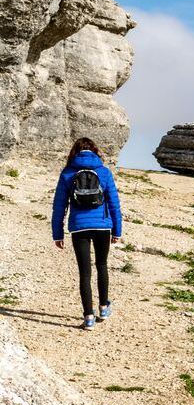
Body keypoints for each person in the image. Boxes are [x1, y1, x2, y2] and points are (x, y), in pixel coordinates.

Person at [51, 138, 123, 330]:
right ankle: (103, 308)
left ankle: (89, 318)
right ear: (94, 150)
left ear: (74, 152)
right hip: (102, 227)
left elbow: (59, 206)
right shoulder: (104, 172)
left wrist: (57, 234)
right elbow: (114, 204)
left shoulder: (67, 173)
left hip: (79, 227)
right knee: (102, 265)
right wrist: (117, 230)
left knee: (85, 272)